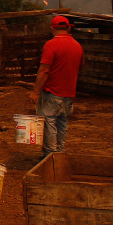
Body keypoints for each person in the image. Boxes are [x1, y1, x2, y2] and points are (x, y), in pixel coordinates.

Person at [28, 15, 84, 158]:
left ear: (52, 28)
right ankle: (60, 154)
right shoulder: (78, 46)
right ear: (68, 27)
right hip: (69, 94)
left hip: (52, 93)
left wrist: (35, 91)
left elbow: (44, 70)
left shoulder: (51, 45)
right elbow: (80, 67)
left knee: (49, 124)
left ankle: (50, 157)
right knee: (62, 124)